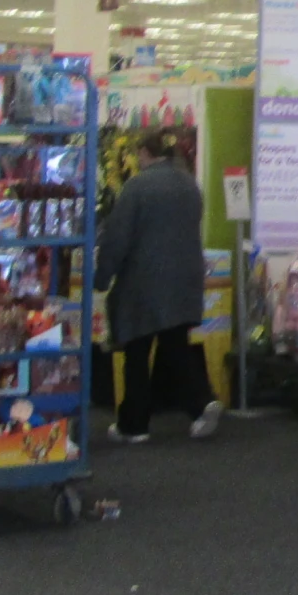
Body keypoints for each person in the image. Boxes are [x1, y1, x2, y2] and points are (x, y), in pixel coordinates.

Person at [95, 130, 221, 443]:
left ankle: (134, 425)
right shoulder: (190, 184)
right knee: (175, 344)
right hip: (186, 277)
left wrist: (102, 276)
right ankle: (201, 403)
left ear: (145, 153)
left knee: (136, 350)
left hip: (145, 281)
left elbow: (117, 237)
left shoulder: (137, 187)